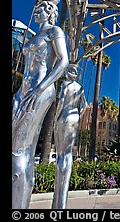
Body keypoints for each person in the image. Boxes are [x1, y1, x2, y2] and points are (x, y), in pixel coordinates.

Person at [12, 0, 69, 209]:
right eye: (35, 9)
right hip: (23, 91)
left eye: (40, 10)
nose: (35, 12)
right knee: (16, 146)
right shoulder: (36, 35)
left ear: (50, 12)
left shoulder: (55, 32)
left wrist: (41, 87)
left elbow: (63, 61)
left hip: (39, 91)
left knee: (20, 148)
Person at [52, 64, 87, 209]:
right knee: (68, 155)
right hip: (74, 117)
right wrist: (78, 116)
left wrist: (56, 118)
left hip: (65, 116)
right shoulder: (80, 87)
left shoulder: (65, 84)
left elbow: (60, 102)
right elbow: (84, 106)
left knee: (61, 154)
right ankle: (61, 201)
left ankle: (59, 203)